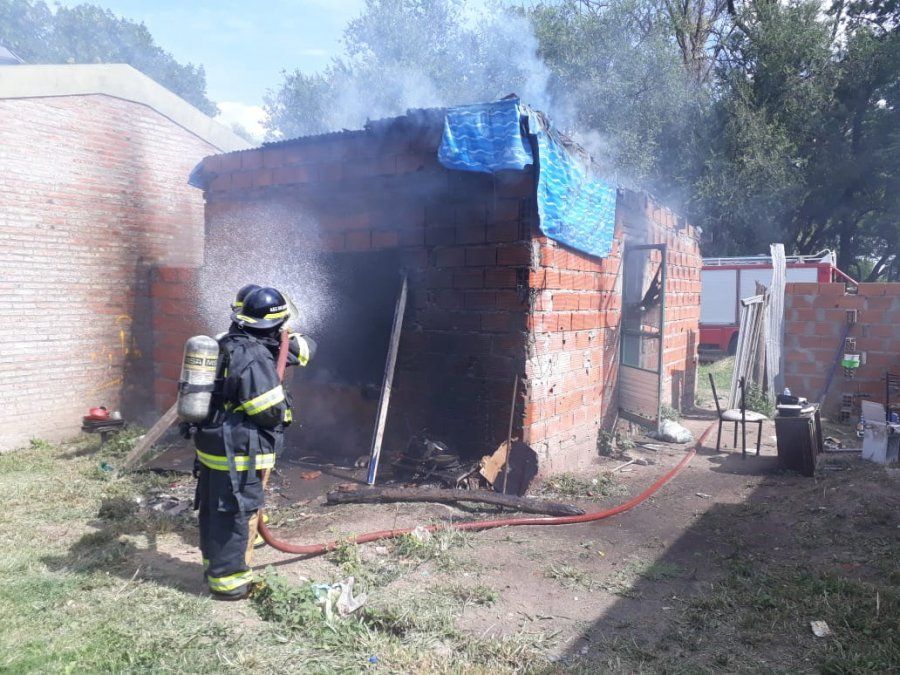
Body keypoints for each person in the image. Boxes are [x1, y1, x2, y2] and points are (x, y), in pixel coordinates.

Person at [191, 286, 315, 599]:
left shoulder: (228, 340)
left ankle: (217, 566)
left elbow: (302, 348)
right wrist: (284, 412)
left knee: (217, 511)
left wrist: (285, 342)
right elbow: (267, 410)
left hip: (216, 442)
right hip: (239, 449)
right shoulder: (253, 356)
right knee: (234, 513)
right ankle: (230, 584)